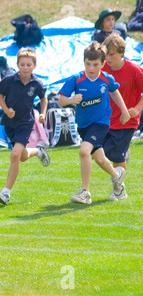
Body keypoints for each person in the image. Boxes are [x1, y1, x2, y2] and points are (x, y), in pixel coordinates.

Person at [58, 41, 130, 204]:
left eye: (95, 64)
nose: (91, 68)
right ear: (83, 62)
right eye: (88, 64)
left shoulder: (106, 78)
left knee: (84, 151)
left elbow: (115, 92)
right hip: (83, 125)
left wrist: (124, 111)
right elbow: (61, 100)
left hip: (100, 123)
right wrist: (70, 99)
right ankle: (117, 177)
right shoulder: (76, 79)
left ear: (103, 64)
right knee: (100, 160)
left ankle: (85, 192)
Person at [0, 47, 50, 206]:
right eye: (22, 64)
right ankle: (39, 151)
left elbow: (43, 99)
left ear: (34, 66)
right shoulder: (9, 80)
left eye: (29, 64)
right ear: (17, 64)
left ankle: (6, 193)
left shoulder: (37, 83)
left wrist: (43, 113)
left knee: (15, 154)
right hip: (10, 123)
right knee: (23, 156)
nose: (25, 67)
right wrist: (6, 109)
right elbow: (0, 97)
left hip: (26, 123)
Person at [101, 34, 143, 200]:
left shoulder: (134, 70)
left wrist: (137, 109)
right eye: (106, 54)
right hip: (104, 120)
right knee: (99, 153)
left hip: (127, 122)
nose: (108, 58)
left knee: (116, 157)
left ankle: (118, 190)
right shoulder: (102, 70)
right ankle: (124, 153)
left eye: (111, 55)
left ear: (121, 53)